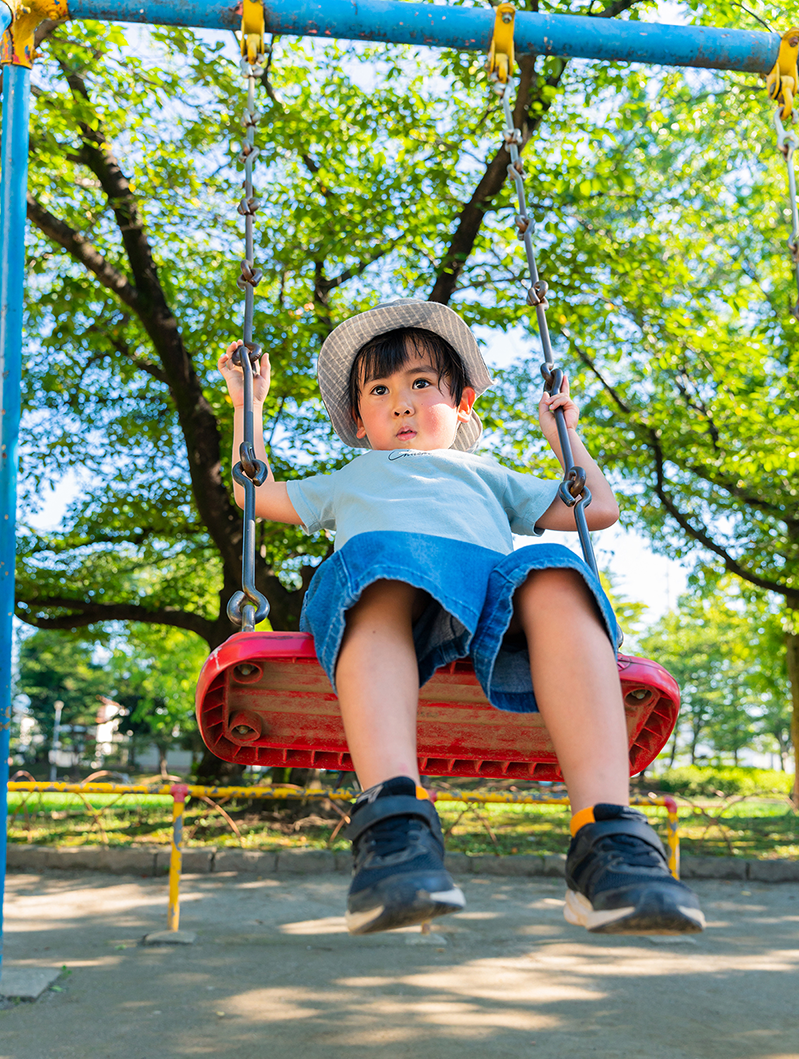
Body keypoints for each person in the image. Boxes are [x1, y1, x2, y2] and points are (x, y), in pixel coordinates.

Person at [218, 299, 704, 938]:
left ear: (464, 403)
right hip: (386, 604)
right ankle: (396, 826)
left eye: (422, 384)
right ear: (359, 422)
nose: (401, 402)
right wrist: (246, 409)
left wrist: (565, 436)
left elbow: (598, 506)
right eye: (380, 390)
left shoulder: (489, 476)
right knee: (382, 565)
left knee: (555, 570)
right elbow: (252, 491)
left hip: (493, 619)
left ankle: (607, 840)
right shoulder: (350, 477)